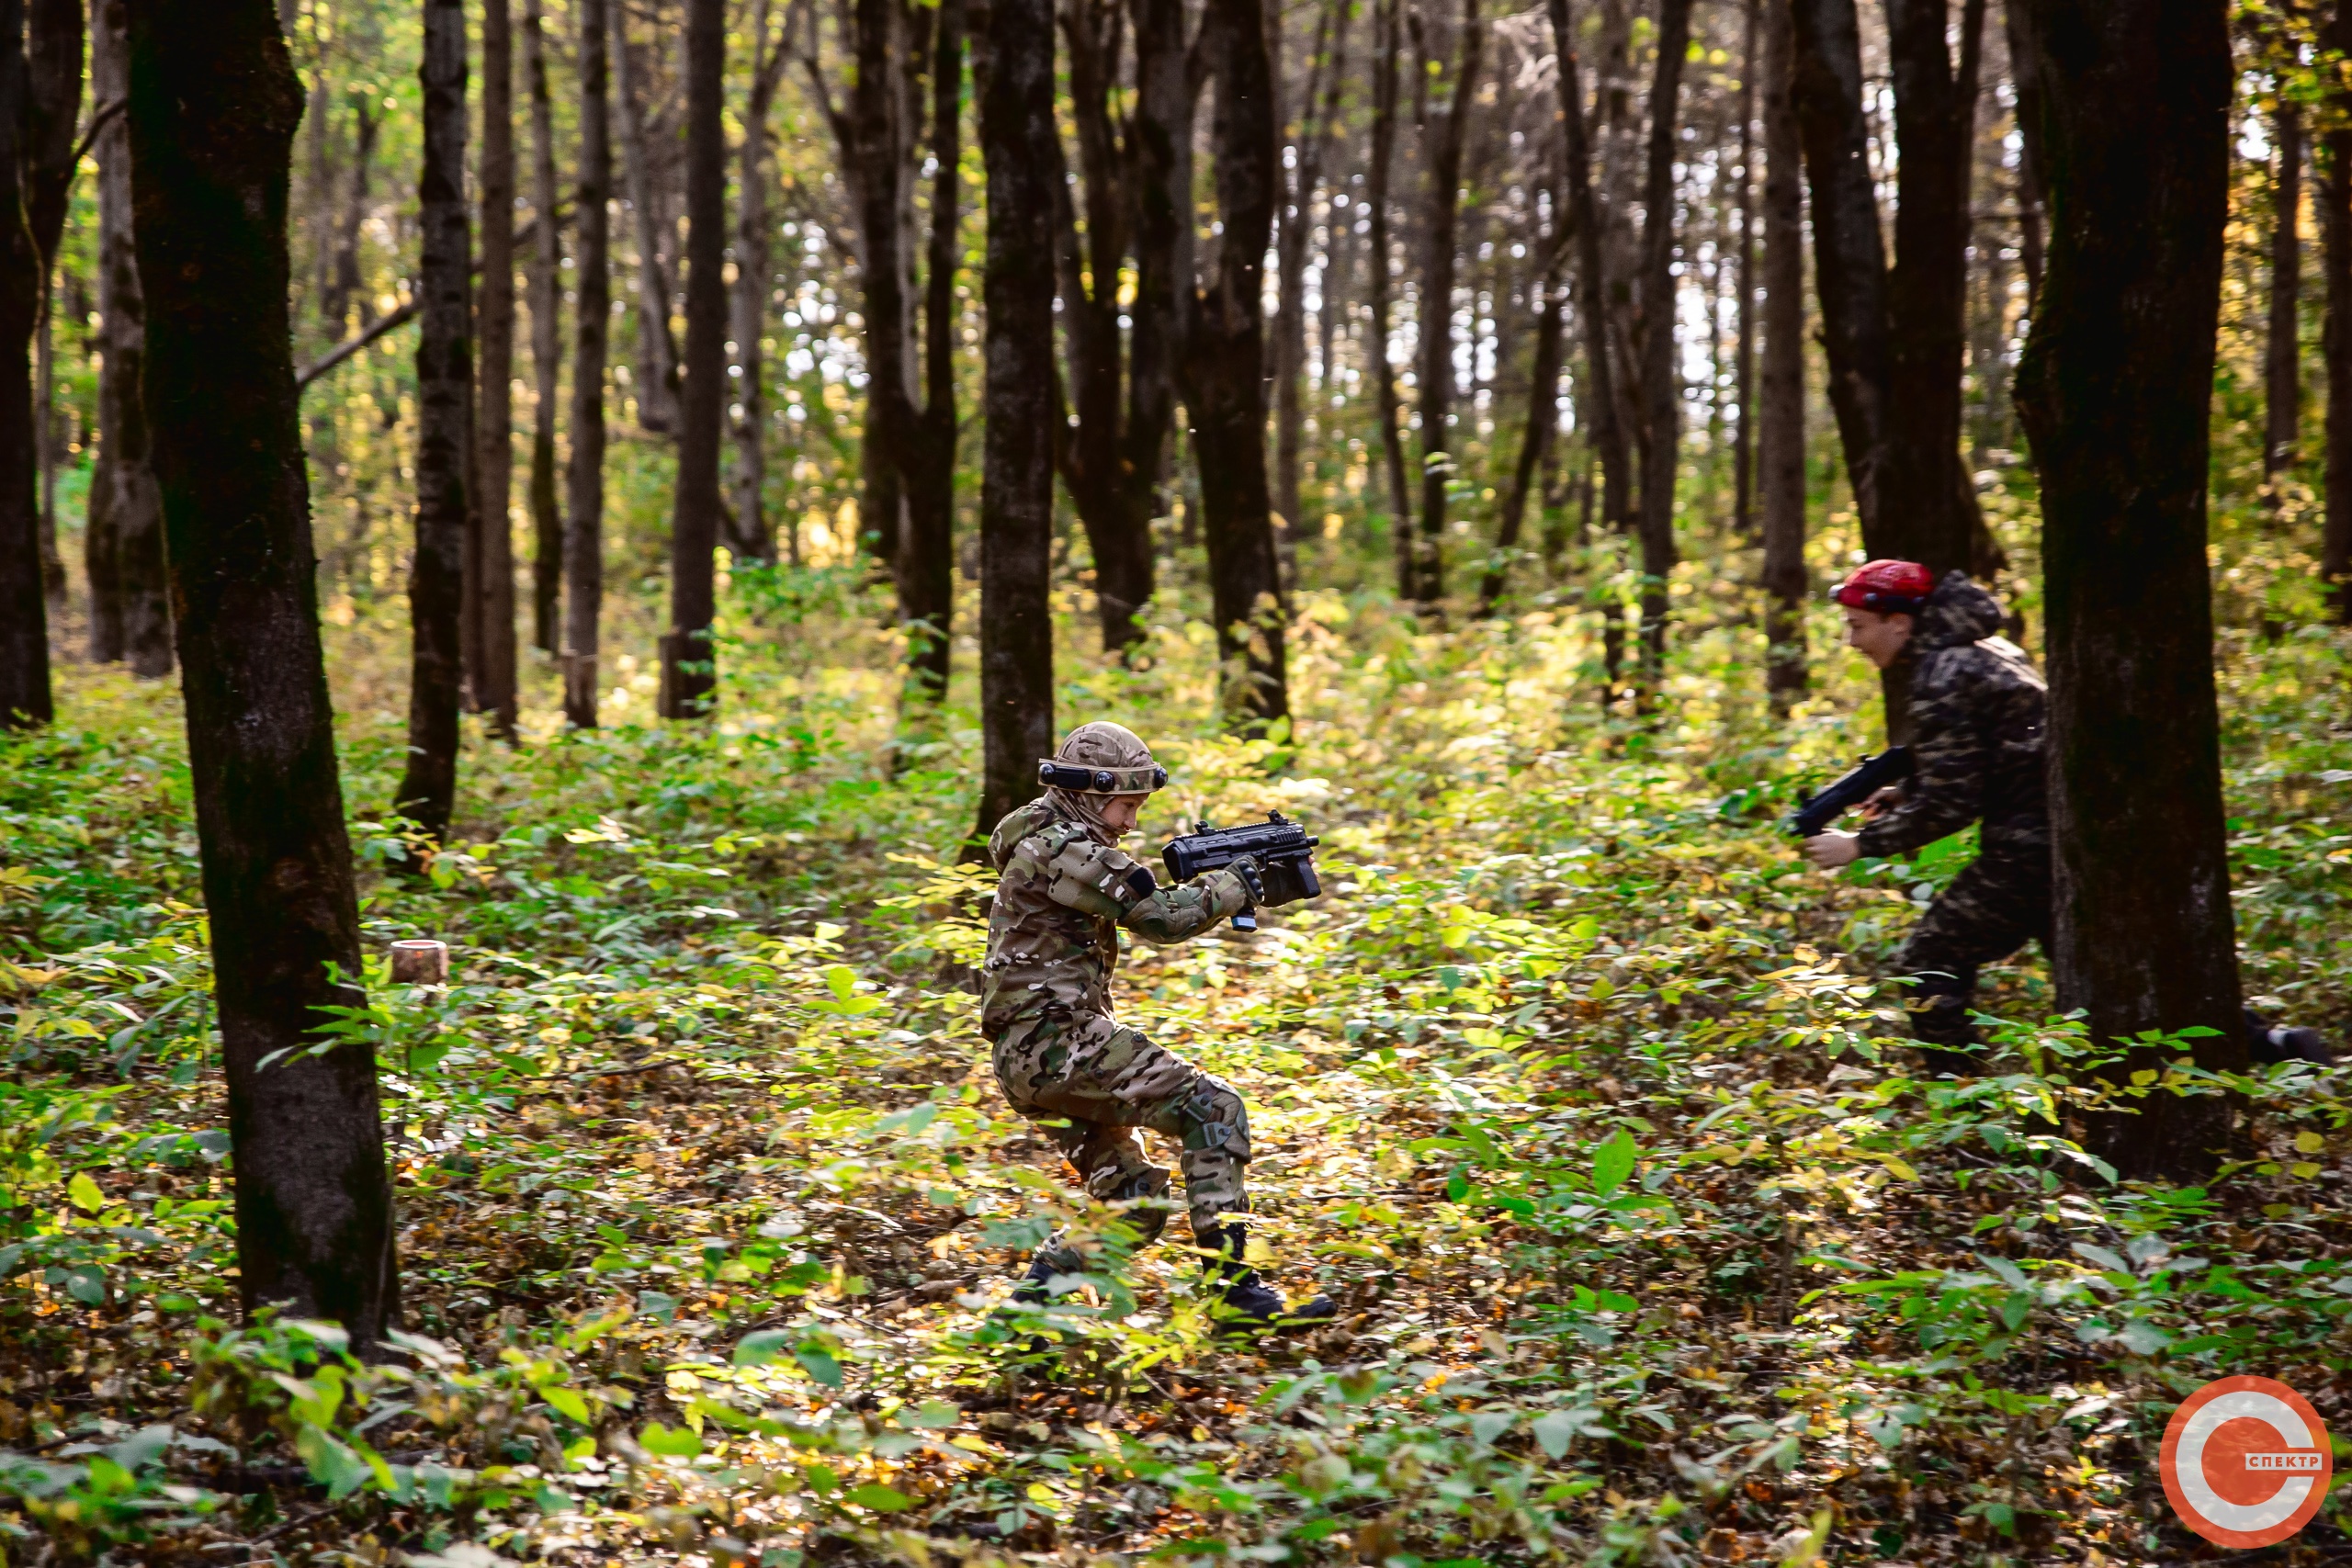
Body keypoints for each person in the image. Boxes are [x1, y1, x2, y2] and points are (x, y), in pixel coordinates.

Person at [1801, 560, 2327, 1075]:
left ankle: (1962, 1097)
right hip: (2070, 836)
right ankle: (2271, 1043)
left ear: (1900, 622)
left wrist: (1859, 845)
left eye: (1857, 626)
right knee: (2110, 973)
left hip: (2029, 851)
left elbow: (1953, 802)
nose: (1852, 641)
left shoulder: (1943, 673)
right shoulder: (1985, 651)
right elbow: (1996, 756)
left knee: (1929, 962)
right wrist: (1908, 789)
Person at [981, 720, 1334, 1328]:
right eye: (1124, 805)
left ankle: (1022, 1319)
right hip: (1056, 1044)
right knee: (1214, 1107)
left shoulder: (1047, 838)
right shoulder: (1062, 849)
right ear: (1089, 793)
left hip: (1033, 1055)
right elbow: (1159, 918)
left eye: (1139, 807)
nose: (1130, 822)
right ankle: (1233, 1292)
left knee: (1135, 1203)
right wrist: (1232, 884)